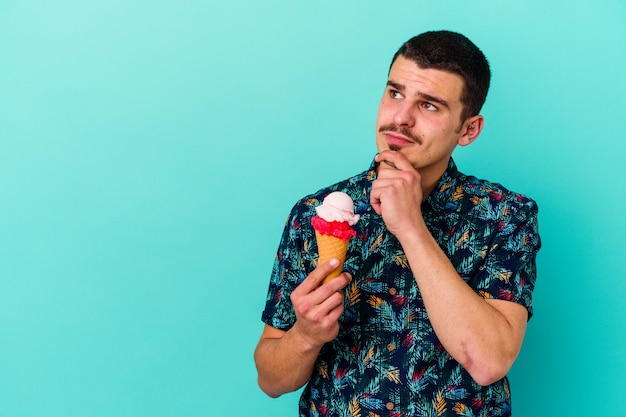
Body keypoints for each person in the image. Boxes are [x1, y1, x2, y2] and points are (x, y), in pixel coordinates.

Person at [254, 30, 541, 417]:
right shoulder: (317, 213)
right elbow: (271, 381)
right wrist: (305, 335)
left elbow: (489, 362)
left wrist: (411, 227)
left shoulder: (505, 216)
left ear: (468, 129)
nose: (400, 118)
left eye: (430, 106)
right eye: (395, 93)